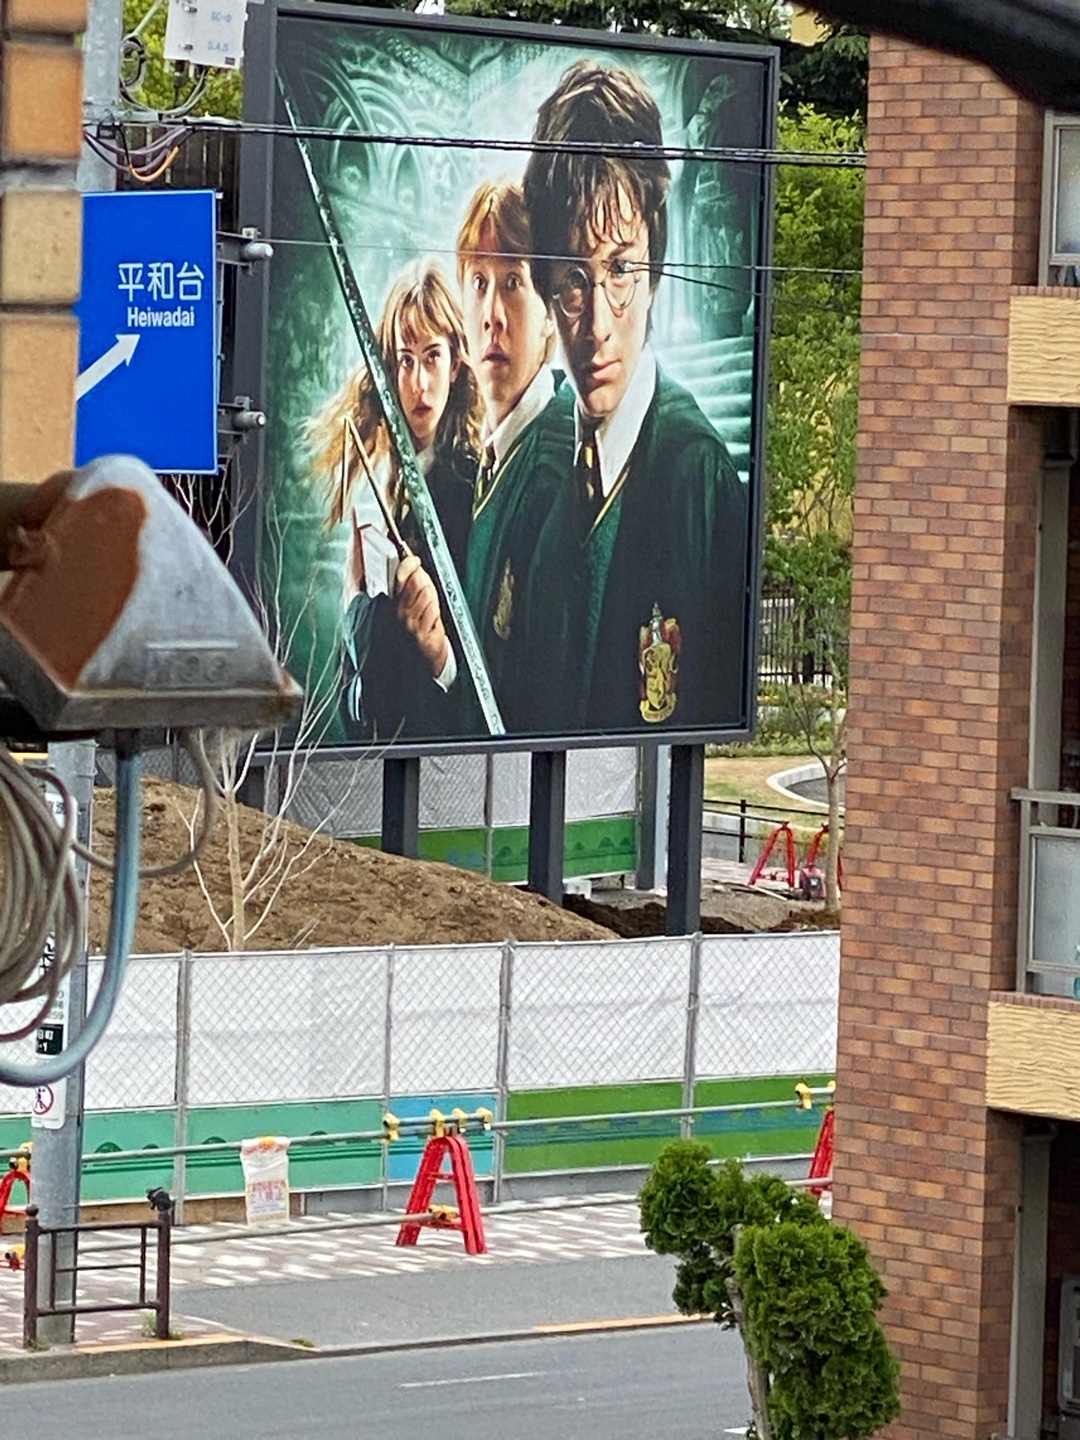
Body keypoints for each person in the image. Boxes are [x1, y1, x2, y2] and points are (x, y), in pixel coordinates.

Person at [518, 59, 750, 735]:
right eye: (572, 278)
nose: (596, 324)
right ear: (544, 286)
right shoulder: (542, 464)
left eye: (620, 269)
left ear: (656, 271)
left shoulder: (695, 473)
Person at [307, 261, 480, 741]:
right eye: (406, 361)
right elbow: (359, 701)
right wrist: (354, 602)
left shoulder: (473, 488)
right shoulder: (381, 489)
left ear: (456, 364)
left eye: (432, 357)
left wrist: (438, 653)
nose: (419, 383)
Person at [456, 181, 574, 730]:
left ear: (551, 311)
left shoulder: (561, 469)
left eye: (512, 283)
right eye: (479, 283)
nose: (492, 315)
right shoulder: (482, 461)